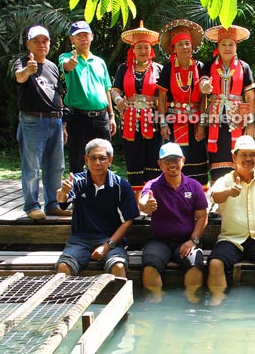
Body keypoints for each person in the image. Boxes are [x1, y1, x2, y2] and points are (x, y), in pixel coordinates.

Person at [207, 135, 255, 305]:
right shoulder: (225, 181)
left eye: (253, 154)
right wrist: (229, 192)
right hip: (232, 238)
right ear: (234, 157)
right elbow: (214, 196)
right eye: (244, 155)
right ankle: (217, 302)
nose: (249, 159)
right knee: (215, 264)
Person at [55, 138, 139, 277]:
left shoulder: (121, 186)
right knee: (64, 267)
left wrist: (107, 245)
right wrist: (63, 192)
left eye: (102, 158)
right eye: (92, 158)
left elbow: (128, 221)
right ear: (86, 159)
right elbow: (62, 201)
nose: (97, 163)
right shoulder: (77, 181)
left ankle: (118, 298)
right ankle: (66, 298)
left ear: (110, 160)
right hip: (80, 240)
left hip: (111, 239)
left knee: (118, 266)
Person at [13, 25, 72, 220]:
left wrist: (63, 124)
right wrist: (28, 71)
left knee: (55, 166)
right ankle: (31, 206)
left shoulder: (52, 66)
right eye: (36, 41)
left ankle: (53, 203)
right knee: (31, 166)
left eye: (44, 41)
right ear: (28, 43)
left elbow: (58, 94)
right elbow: (19, 77)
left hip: (55, 121)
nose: (41, 44)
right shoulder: (23, 62)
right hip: (32, 121)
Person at [138, 143, 208, 303]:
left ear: (183, 160)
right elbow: (143, 201)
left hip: (186, 240)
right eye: (167, 160)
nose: (172, 164)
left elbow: (202, 217)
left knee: (195, 266)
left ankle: (192, 305)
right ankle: (157, 304)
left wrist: (193, 240)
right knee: (149, 267)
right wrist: (145, 206)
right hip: (160, 241)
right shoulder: (153, 185)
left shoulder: (194, 186)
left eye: (175, 159)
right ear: (160, 163)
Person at [112, 21, 163, 201]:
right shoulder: (123, 69)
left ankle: (150, 199)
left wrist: (156, 102)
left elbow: (164, 95)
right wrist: (118, 100)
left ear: (151, 50)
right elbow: (115, 89)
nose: (143, 51)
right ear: (132, 50)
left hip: (153, 120)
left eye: (146, 47)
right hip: (131, 120)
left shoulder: (159, 69)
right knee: (134, 157)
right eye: (139, 47)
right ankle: (135, 201)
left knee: (153, 158)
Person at [199, 25, 255, 184]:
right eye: (223, 44)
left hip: (237, 118)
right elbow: (203, 85)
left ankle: (239, 193)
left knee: (238, 153)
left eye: (231, 44)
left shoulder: (244, 67)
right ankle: (218, 196)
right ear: (217, 46)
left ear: (236, 46)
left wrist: (251, 123)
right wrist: (204, 86)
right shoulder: (208, 66)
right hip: (214, 119)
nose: (227, 48)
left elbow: (250, 97)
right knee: (216, 156)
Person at [156, 19, 209, 189]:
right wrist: (163, 123)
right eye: (180, 44)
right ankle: (175, 195)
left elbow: (203, 99)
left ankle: (198, 197)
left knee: (197, 158)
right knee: (175, 157)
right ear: (174, 48)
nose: (185, 47)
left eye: (187, 43)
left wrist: (202, 124)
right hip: (173, 121)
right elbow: (161, 98)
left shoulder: (200, 67)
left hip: (195, 123)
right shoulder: (168, 69)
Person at [59, 21, 117, 174]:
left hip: (101, 117)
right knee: (77, 161)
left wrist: (111, 115)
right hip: (78, 117)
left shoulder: (100, 62)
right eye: (78, 36)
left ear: (92, 37)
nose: (83, 38)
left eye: (85, 35)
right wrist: (70, 63)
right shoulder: (66, 57)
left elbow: (107, 89)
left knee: (105, 160)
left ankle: (105, 195)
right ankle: (78, 196)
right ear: (72, 39)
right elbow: (65, 65)